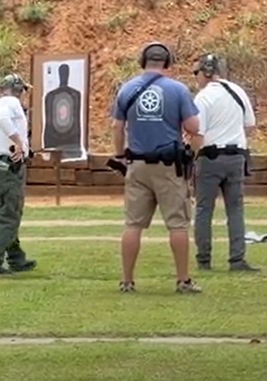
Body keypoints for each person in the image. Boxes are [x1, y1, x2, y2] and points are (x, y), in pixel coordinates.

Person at [111, 41, 203, 294]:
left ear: (143, 61)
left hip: (137, 163)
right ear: (168, 62)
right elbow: (193, 127)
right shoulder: (178, 90)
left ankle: (127, 281)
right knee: (178, 224)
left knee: (133, 225)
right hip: (168, 166)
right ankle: (183, 280)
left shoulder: (126, 89)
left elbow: (117, 127)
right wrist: (193, 152)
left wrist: (119, 156)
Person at [189, 52, 258, 272]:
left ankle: (204, 259)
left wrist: (193, 158)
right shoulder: (237, 91)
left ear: (205, 72)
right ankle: (237, 259)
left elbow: (197, 133)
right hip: (236, 155)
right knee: (235, 210)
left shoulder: (203, 97)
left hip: (210, 156)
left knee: (203, 210)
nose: (196, 77)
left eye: (196, 72)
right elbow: (249, 125)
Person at [0, 72, 37, 276]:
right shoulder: (9, 104)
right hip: (7, 166)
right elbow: (4, 119)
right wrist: (19, 143)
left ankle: (15, 257)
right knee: (10, 217)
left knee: (3, 216)